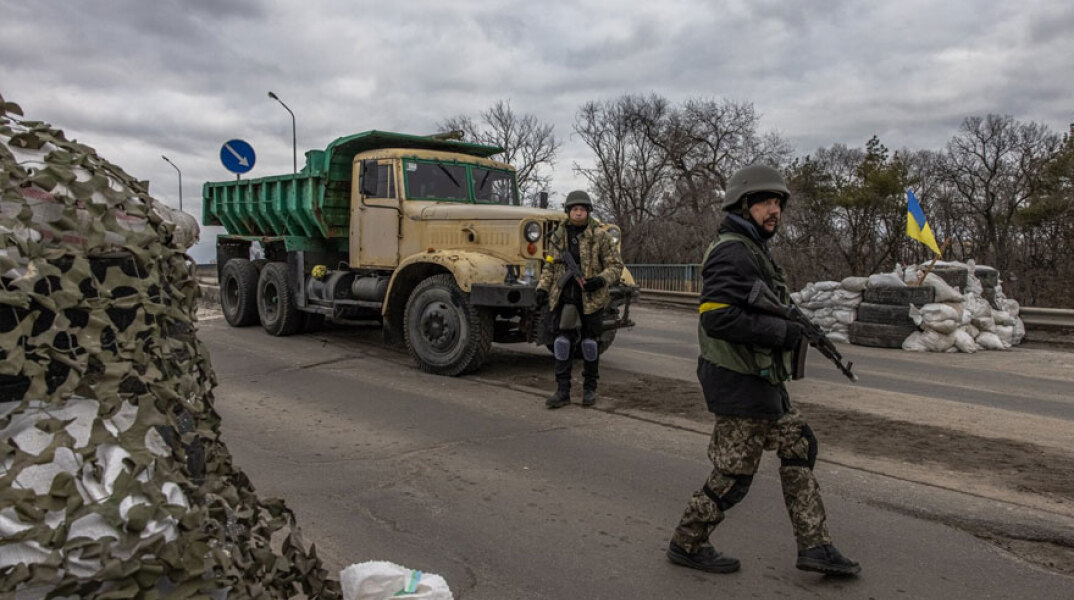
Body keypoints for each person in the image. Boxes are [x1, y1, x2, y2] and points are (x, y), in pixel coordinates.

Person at [666, 165, 861, 576]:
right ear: (743, 204)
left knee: (798, 445)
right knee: (733, 475)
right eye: (766, 203)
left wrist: (792, 327)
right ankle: (687, 541)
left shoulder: (753, 248)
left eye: (778, 203)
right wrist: (784, 332)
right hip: (736, 378)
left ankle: (816, 546)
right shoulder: (731, 251)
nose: (775, 211)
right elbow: (716, 318)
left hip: (758, 377)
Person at [535, 190, 623, 409]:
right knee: (562, 343)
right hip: (565, 297)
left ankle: (589, 389)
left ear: (588, 211)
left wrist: (600, 280)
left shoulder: (600, 236)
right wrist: (542, 289)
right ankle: (562, 390)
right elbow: (549, 265)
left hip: (591, 299)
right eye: (574, 209)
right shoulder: (558, 235)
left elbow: (616, 266)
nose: (578, 213)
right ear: (568, 212)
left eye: (582, 209)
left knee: (590, 344)